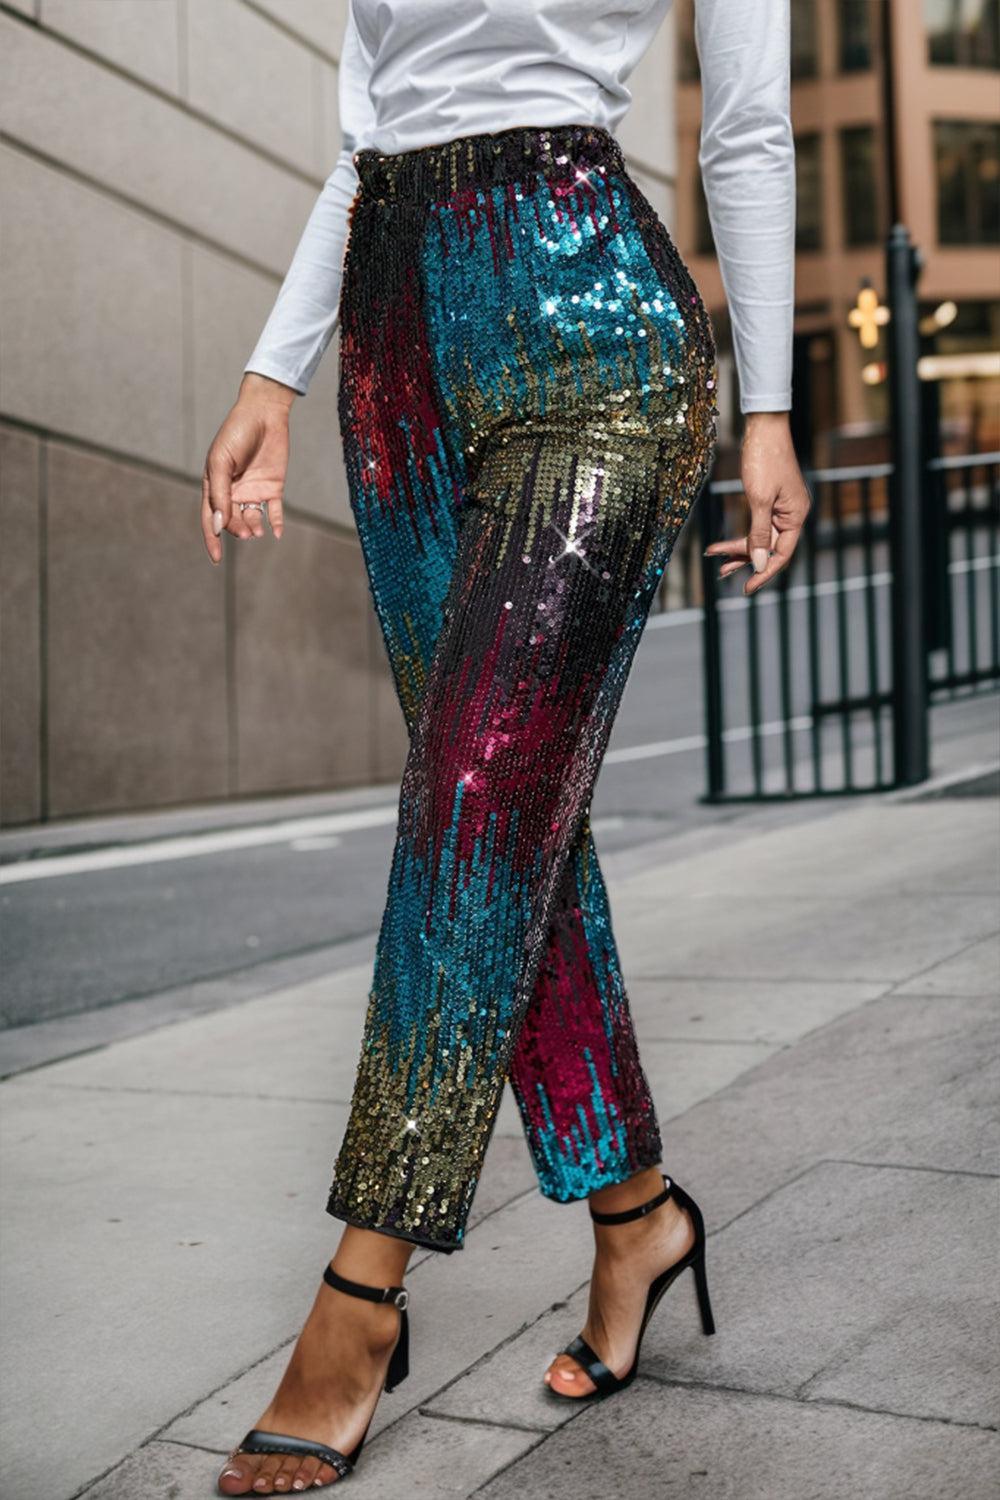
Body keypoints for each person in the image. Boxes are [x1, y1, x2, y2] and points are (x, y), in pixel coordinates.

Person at [202, 1, 810, 1491]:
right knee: (508, 820)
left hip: (596, 329)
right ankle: (637, 1211)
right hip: (395, 344)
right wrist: (271, 376)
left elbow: (746, 121)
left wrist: (773, 409)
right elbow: (367, 131)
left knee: (476, 804)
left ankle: (360, 1296)